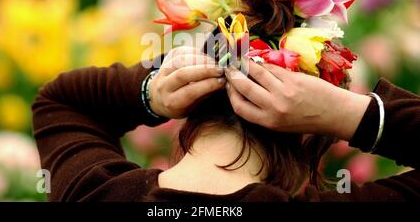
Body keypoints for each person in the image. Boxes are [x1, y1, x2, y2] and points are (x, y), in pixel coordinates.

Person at [32, 46, 419, 201]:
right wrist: (352, 115)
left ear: (193, 103)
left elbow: (62, 99)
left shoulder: (92, 192)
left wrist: (149, 92)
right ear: (309, 135)